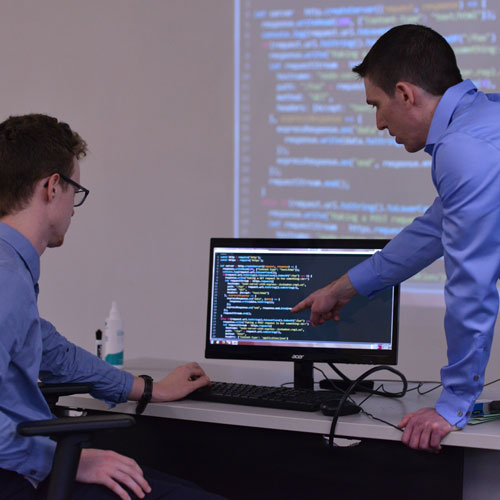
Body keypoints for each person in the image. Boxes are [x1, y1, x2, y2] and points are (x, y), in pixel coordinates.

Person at [292, 24, 500, 454]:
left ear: (405, 94)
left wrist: (452, 404)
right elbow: (431, 232)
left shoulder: (466, 149)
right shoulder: (483, 121)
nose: (379, 123)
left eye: (378, 105)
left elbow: (471, 288)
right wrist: (342, 288)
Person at [0, 114, 225, 500]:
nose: (74, 207)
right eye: (75, 190)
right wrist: (58, 458)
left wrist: (146, 389)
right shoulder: (5, 276)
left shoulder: (11, 267)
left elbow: (49, 348)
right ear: (53, 187)